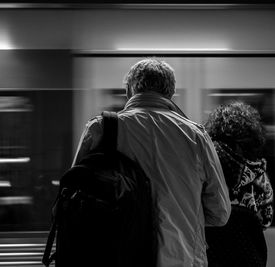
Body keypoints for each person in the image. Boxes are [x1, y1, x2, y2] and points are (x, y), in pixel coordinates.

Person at [72, 58, 231, 267]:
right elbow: (220, 214)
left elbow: (74, 201)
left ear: (129, 90)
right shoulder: (196, 136)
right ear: (171, 93)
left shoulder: (100, 129)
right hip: (183, 260)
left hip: (115, 257)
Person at [204, 101, 274, 267]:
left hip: (210, 255)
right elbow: (266, 219)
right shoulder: (258, 172)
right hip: (248, 255)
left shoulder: (205, 164)